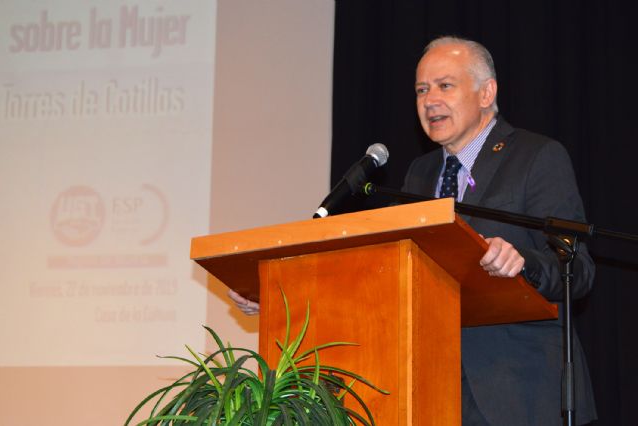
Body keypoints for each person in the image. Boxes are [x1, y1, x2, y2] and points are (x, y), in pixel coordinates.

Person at [229, 36, 597, 425]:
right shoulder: (420, 175)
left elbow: (580, 270)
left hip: (519, 393)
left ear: (486, 92)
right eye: (421, 90)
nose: (429, 100)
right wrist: (278, 294)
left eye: (444, 86)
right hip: (430, 390)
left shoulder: (536, 156)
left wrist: (523, 264)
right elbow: (377, 271)